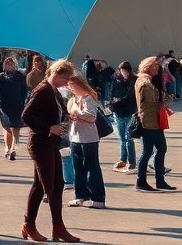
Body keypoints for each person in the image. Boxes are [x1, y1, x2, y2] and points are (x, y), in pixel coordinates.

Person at [20, 58, 80, 243]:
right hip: (40, 143)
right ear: (55, 73)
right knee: (51, 187)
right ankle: (57, 226)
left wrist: (67, 117)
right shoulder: (42, 90)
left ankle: (32, 225)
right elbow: (26, 115)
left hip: (50, 143)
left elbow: (56, 111)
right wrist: (48, 128)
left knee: (45, 185)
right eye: (64, 79)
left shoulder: (52, 90)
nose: (66, 83)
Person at [133, 56, 174, 193]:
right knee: (148, 151)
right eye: (155, 66)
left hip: (154, 121)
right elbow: (149, 104)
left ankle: (159, 180)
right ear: (148, 67)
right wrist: (163, 101)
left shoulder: (147, 81)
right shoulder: (145, 83)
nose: (158, 68)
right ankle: (141, 181)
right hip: (149, 122)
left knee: (160, 149)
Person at [66, 72, 105, 209]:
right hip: (75, 136)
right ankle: (80, 195)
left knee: (91, 167)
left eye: (72, 85)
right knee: (78, 167)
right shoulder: (75, 98)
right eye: (69, 85)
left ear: (79, 84)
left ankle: (98, 198)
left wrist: (77, 115)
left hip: (89, 138)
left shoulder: (89, 97)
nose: (70, 88)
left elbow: (91, 116)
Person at [0, 56, 29, 162]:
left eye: (11, 63)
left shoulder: (14, 76)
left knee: (11, 127)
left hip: (11, 105)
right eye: (8, 63)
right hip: (10, 105)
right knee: (11, 127)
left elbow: (24, 91)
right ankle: (10, 147)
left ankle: (10, 148)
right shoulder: (5, 77)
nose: (9, 65)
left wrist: (23, 102)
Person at [107, 62, 137, 173]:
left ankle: (132, 161)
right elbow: (111, 93)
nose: (124, 73)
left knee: (128, 137)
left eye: (125, 71)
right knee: (122, 138)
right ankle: (123, 159)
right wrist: (111, 104)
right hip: (118, 111)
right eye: (122, 70)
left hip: (129, 111)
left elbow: (130, 96)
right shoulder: (116, 80)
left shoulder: (134, 80)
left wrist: (118, 101)